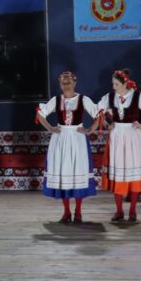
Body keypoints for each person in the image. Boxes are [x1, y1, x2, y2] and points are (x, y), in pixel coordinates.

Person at [36, 71, 99, 223]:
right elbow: (40, 114)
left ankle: (78, 212)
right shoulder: (56, 100)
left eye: (69, 82)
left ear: (74, 83)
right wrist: (50, 128)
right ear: (60, 84)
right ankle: (66, 212)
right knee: (63, 173)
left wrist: (90, 130)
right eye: (63, 83)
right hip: (61, 139)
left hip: (77, 139)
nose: (66, 86)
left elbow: (99, 114)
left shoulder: (83, 99)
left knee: (77, 172)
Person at [97, 69, 141, 222]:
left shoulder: (138, 96)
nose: (114, 87)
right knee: (117, 174)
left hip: (133, 137)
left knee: (134, 174)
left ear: (125, 83)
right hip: (117, 137)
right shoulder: (110, 97)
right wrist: (107, 124)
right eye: (113, 84)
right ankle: (119, 211)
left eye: (116, 84)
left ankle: (132, 211)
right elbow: (98, 111)